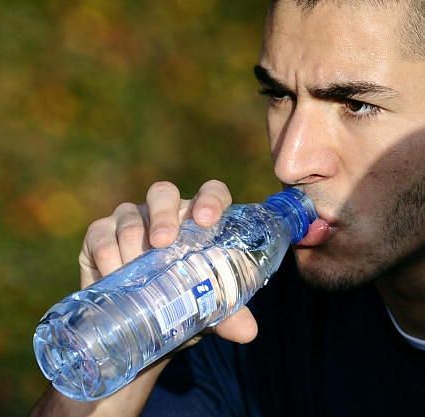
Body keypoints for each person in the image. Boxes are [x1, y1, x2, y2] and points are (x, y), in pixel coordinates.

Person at [30, 0, 425, 415]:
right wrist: (129, 328)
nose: (289, 161)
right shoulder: (257, 321)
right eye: (279, 94)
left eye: (356, 105)